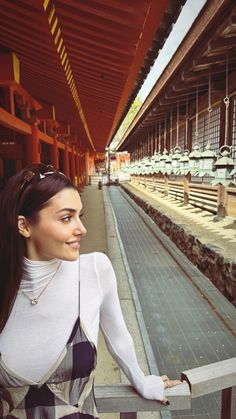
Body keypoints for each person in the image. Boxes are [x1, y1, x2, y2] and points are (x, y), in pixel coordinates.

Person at [0, 163, 180, 418]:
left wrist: (140, 380)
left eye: (79, 216)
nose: (82, 229)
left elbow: (119, 338)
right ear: (24, 226)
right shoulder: (5, 286)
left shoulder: (94, 270)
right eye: (66, 218)